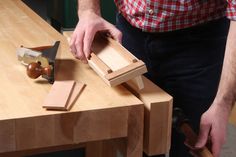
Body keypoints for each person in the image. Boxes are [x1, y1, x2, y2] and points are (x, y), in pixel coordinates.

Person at [69, 0, 236, 157]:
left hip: (200, 43)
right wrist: (88, 11)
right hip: (128, 34)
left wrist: (223, 103)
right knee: (137, 143)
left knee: (193, 146)